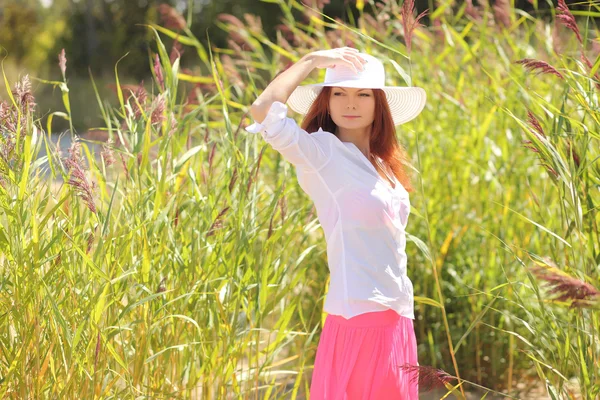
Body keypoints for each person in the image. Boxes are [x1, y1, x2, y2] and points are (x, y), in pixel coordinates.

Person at [245, 47, 426, 400]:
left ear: (379, 104)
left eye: (362, 94)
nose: (350, 103)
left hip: (397, 315)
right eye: (339, 93)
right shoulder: (321, 153)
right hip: (358, 317)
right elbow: (263, 111)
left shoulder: (382, 164)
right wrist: (312, 60)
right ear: (326, 101)